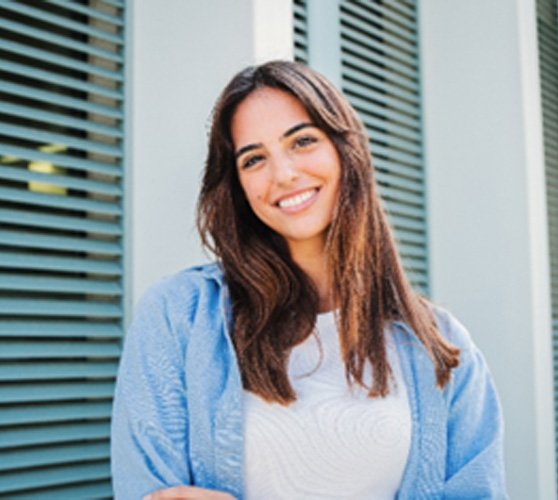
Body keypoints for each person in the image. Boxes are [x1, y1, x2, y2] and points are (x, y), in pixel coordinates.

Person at [111, 61, 507, 499]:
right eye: (254, 159)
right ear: (238, 184)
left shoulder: (442, 346)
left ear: (345, 150)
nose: (283, 174)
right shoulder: (176, 317)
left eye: (302, 141)